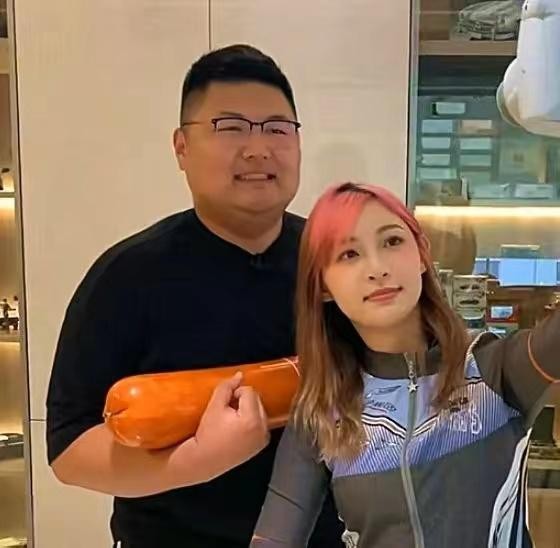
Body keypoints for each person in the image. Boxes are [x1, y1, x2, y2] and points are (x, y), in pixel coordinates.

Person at [46, 45, 343, 548]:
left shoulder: (339, 260)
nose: (258, 148)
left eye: (277, 128)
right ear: (181, 147)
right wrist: (196, 461)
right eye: (231, 127)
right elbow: (70, 449)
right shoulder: (126, 275)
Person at [251, 182, 560, 547]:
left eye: (392, 241)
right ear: (322, 286)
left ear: (422, 255)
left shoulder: (494, 368)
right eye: (349, 254)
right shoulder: (322, 411)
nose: (377, 268)